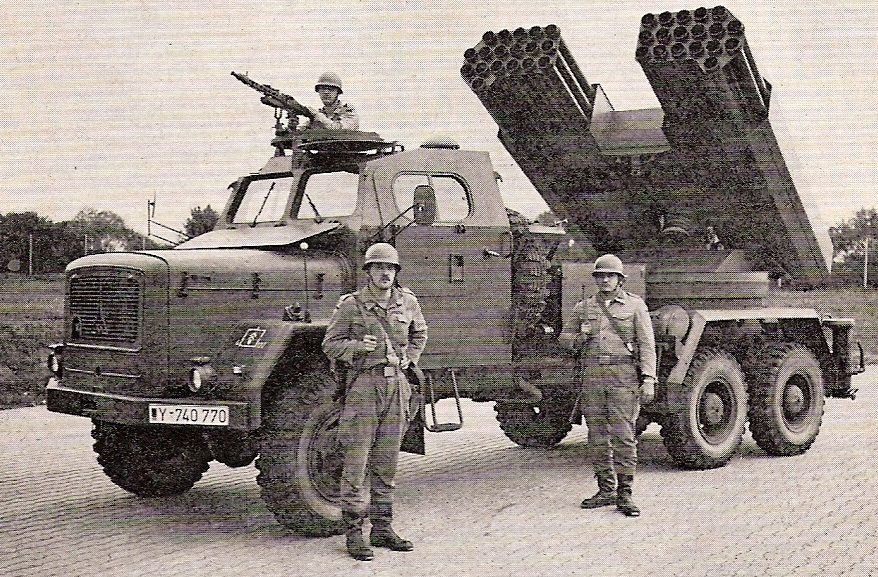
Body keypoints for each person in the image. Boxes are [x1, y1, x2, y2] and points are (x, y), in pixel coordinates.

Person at [321, 242, 427, 561]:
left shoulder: (407, 301)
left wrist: (410, 358)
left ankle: (382, 527)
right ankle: (354, 532)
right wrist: (357, 347)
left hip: (397, 386)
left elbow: (420, 333)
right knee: (356, 462)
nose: (385, 273)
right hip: (364, 388)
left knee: (386, 462)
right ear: (368, 271)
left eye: (390, 268)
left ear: (396, 272)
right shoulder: (351, 305)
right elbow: (330, 344)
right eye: (379, 267)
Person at [559, 254, 656, 517]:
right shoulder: (584, 307)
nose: (604, 280)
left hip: (623, 376)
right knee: (597, 435)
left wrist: (648, 378)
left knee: (623, 435)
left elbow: (647, 345)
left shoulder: (635, 306)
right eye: (600, 276)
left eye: (610, 276)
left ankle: (625, 494)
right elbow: (564, 340)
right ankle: (605, 489)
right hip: (592, 376)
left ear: (620, 279)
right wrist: (580, 337)